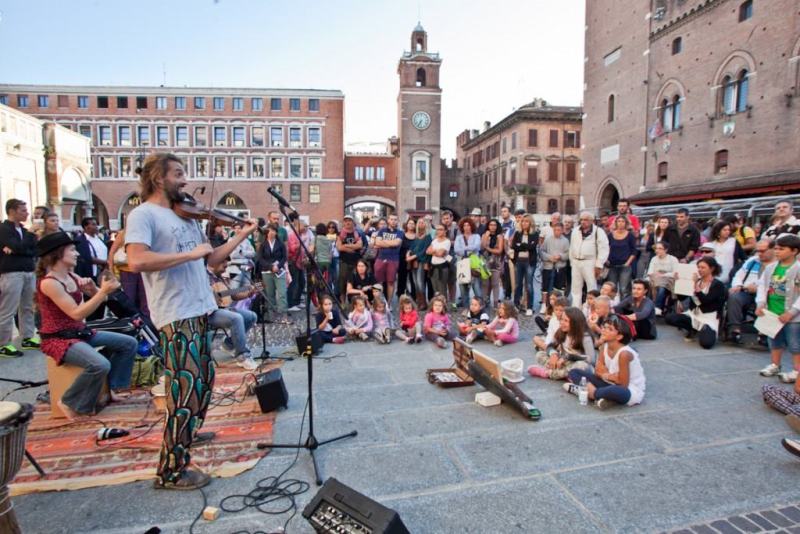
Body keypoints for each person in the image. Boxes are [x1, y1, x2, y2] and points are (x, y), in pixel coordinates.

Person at [126, 152, 259, 490]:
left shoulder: (186, 217)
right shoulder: (143, 214)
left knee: (204, 381)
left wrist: (242, 234)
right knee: (185, 387)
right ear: (159, 178)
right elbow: (136, 260)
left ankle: (187, 434)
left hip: (200, 309)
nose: (185, 181)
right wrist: (189, 254)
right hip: (175, 313)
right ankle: (170, 471)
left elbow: (212, 259)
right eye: (179, 173)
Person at [36, 232, 137, 419]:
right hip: (59, 338)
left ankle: (111, 389)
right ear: (57, 254)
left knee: (128, 343)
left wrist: (93, 290)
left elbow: (104, 298)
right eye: (72, 250)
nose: (77, 254)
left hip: (79, 332)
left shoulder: (72, 276)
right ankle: (69, 401)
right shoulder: (49, 283)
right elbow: (76, 313)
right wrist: (100, 293)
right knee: (100, 364)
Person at [564, 314, 646, 410]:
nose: (604, 330)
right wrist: (609, 376)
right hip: (609, 382)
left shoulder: (624, 354)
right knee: (574, 372)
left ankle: (590, 393)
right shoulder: (604, 346)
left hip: (629, 390)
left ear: (619, 336)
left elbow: (623, 384)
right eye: (604, 327)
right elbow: (597, 372)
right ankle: (599, 395)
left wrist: (605, 374)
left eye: (610, 329)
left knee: (615, 391)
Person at [756, 234, 800, 382]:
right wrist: (760, 303)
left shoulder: (798, 268)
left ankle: (797, 370)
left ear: (794, 251)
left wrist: (792, 311)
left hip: (793, 314)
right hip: (773, 310)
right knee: (774, 339)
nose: (777, 252)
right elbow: (763, 286)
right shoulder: (771, 268)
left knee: (794, 343)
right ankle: (775, 364)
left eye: (782, 249)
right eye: (776, 248)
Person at [0, 199, 39, 357]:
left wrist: (21, 248)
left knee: (28, 307)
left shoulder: (23, 230)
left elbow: (33, 250)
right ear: (12, 211)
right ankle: (3, 344)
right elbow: (19, 247)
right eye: (23, 210)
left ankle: (27, 337)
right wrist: (28, 237)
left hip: (29, 271)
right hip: (11, 273)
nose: (27, 213)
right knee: (8, 309)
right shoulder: (3, 229)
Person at [207, 258, 259, 371]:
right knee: (236, 318)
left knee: (251, 316)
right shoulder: (204, 276)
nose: (226, 265)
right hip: (210, 313)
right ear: (214, 263)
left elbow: (232, 295)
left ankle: (228, 344)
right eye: (223, 262)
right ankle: (243, 356)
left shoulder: (220, 277)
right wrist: (212, 297)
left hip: (224, 309)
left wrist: (248, 293)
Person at [664, 257, 727, 349]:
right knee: (670, 318)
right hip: (693, 315)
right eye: (698, 267)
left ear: (712, 269)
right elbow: (682, 298)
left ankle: (703, 330)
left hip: (708, 317)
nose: (699, 270)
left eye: (703, 267)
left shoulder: (718, 285)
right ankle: (691, 329)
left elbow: (706, 301)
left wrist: (696, 288)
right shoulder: (696, 281)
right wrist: (679, 283)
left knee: (706, 344)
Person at [726, 239, 774, 344]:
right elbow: (738, 276)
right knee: (734, 297)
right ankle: (734, 330)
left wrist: (758, 287)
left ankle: (763, 333)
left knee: (769, 301)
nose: (759, 253)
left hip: (766, 293)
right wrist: (738, 285)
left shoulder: (777, 265)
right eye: (758, 251)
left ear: (772, 250)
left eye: (763, 251)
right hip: (746, 291)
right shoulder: (752, 261)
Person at [529, 306, 596, 380]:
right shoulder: (562, 332)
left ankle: (549, 373)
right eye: (561, 319)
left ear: (575, 323)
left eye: (566, 321)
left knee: (581, 365)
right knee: (540, 354)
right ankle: (563, 374)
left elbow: (591, 360)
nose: (562, 323)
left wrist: (568, 357)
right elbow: (550, 346)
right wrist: (553, 354)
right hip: (564, 363)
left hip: (576, 364)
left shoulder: (585, 337)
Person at [107, 228, 151, 321]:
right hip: (127, 271)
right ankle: (130, 319)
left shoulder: (145, 231)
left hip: (143, 270)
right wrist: (111, 272)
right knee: (129, 296)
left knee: (145, 298)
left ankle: (146, 321)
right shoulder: (123, 233)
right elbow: (111, 253)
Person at [569, 211, 610, 307]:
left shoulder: (598, 231)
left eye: (586, 220)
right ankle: (576, 308)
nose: (583, 222)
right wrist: (572, 261)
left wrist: (599, 264)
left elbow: (604, 249)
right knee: (575, 288)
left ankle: (590, 308)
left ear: (592, 221)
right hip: (576, 261)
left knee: (591, 286)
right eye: (582, 219)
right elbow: (572, 247)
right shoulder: (575, 230)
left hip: (590, 261)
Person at [257, 223, 290, 325]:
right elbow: (260, 259)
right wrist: (270, 267)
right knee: (269, 294)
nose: (272, 233)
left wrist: (278, 266)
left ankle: (283, 315)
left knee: (282, 293)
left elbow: (284, 257)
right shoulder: (263, 244)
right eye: (270, 231)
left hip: (279, 271)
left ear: (276, 232)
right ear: (267, 232)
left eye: (274, 231)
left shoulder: (280, 244)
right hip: (267, 271)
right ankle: (271, 316)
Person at [511, 214, 539, 315]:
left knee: (529, 285)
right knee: (518, 284)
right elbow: (514, 246)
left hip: (529, 262)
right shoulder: (518, 233)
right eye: (522, 221)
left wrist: (521, 245)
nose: (524, 223)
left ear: (530, 223)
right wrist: (525, 246)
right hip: (519, 261)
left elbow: (533, 247)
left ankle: (529, 307)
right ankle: (516, 305)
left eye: (526, 221)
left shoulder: (535, 234)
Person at [373, 214, 404, 304]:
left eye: (395, 219)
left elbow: (397, 243)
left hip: (393, 259)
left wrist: (383, 243)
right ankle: (377, 302)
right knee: (378, 282)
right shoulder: (382, 230)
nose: (393, 221)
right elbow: (377, 242)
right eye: (391, 219)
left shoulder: (400, 232)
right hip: (380, 258)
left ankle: (388, 304)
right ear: (388, 221)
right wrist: (390, 243)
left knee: (390, 282)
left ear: (397, 221)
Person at [540, 222, 570, 313]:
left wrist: (560, 256)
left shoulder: (565, 241)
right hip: (548, 266)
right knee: (546, 286)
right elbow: (542, 251)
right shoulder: (548, 239)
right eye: (555, 230)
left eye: (559, 230)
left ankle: (559, 305)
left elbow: (568, 253)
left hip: (560, 267)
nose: (557, 232)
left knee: (559, 287)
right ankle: (544, 304)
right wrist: (549, 257)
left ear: (562, 230)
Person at [606, 215, 638, 298]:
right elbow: (606, 248)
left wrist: (628, 262)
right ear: (615, 223)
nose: (620, 223)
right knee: (611, 288)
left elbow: (634, 251)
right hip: (612, 265)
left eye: (622, 221)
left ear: (626, 223)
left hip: (625, 265)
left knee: (624, 289)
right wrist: (606, 259)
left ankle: (624, 308)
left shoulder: (630, 235)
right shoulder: (610, 235)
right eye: (619, 221)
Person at [454, 216, 483, 308]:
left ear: (471, 226)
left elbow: (477, 247)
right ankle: (466, 307)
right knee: (463, 287)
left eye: (468, 225)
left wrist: (464, 250)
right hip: (462, 264)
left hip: (474, 264)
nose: (466, 227)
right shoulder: (459, 238)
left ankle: (479, 306)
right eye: (464, 225)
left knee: (476, 286)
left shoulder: (476, 236)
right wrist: (468, 250)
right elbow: (456, 250)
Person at [286, 219, 314, 311]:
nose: (306, 228)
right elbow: (291, 248)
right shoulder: (292, 235)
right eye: (304, 226)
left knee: (302, 282)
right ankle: (290, 304)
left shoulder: (300, 235)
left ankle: (297, 301)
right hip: (293, 262)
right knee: (293, 283)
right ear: (298, 226)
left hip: (300, 262)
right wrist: (300, 243)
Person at [336, 215, 364, 306]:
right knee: (342, 282)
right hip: (344, 262)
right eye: (346, 221)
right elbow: (339, 247)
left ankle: (354, 302)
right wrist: (352, 248)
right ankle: (343, 302)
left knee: (355, 281)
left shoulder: (358, 233)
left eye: (349, 220)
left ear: (353, 222)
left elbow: (359, 245)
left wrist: (346, 246)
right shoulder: (340, 234)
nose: (348, 222)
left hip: (356, 261)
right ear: (343, 223)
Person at [646, 242, 680, 316]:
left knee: (662, 287)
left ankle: (658, 307)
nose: (657, 250)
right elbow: (650, 272)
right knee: (645, 284)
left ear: (666, 250)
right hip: (655, 279)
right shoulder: (654, 259)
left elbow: (675, 273)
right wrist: (656, 275)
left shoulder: (672, 259)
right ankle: (645, 307)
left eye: (660, 248)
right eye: (656, 248)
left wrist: (663, 275)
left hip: (669, 280)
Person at [706, 220, 742, 284]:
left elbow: (742, 256)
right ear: (718, 231)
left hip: (729, 272)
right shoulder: (712, 243)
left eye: (728, 230)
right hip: (715, 272)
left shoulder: (733, 242)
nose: (727, 232)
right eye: (724, 230)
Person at [408, 218, 432, 310]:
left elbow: (424, 251)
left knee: (420, 282)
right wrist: (408, 254)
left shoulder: (428, 237)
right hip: (414, 262)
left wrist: (413, 257)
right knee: (415, 282)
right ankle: (419, 301)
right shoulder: (416, 237)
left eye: (423, 222)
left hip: (421, 262)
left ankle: (423, 303)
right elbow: (411, 248)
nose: (421, 224)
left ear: (425, 224)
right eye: (419, 222)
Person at [481, 219, 505, 309]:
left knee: (495, 283)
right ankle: (484, 301)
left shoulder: (500, 236)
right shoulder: (484, 235)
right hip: (485, 262)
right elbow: (482, 247)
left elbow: (499, 251)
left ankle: (495, 303)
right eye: (491, 225)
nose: (492, 227)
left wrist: (488, 249)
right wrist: (486, 237)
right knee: (485, 283)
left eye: (494, 225)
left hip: (496, 262)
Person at [440, 210, 459, 309]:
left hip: (452, 256)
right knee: (443, 280)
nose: (446, 220)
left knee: (452, 280)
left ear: (451, 218)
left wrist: (446, 242)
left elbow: (458, 241)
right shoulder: (441, 228)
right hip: (441, 256)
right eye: (444, 219)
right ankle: (444, 302)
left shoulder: (456, 228)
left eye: (447, 218)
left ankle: (453, 302)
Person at [427, 223, 452, 300]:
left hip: (442, 267)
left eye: (441, 229)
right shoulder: (434, 240)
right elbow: (427, 251)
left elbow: (441, 254)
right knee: (435, 289)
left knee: (442, 289)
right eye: (437, 229)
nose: (438, 231)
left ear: (445, 231)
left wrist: (433, 251)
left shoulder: (447, 241)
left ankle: (443, 307)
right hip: (433, 267)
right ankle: (437, 306)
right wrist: (436, 251)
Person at [397, 219, 418, 300]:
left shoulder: (417, 236)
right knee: (402, 279)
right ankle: (400, 296)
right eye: (409, 223)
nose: (411, 225)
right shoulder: (402, 235)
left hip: (414, 260)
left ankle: (414, 297)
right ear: (406, 225)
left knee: (414, 280)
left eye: (413, 223)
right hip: (403, 260)